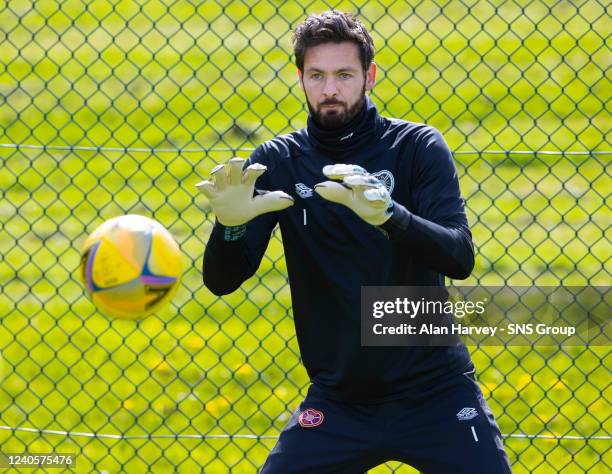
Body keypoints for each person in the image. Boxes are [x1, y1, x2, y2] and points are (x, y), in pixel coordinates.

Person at [197, 10, 512, 474]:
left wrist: (391, 217)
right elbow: (221, 282)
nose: (330, 90)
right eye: (317, 75)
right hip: (338, 401)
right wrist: (229, 225)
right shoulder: (277, 161)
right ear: (299, 77)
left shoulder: (416, 146)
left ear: (370, 76)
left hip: (436, 392)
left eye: (344, 75)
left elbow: (459, 255)